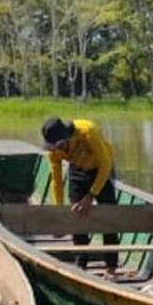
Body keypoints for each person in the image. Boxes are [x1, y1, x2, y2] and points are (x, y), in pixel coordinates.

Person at [40, 116, 120, 273]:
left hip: (101, 167)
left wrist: (90, 196)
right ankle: (81, 264)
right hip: (77, 170)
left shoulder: (87, 132)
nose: (56, 149)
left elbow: (105, 163)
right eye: (52, 146)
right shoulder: (53, 152)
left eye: (58, 145)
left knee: (108, 216)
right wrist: (60, 215)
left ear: (66, 138)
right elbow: (56, 181)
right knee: (76, 213)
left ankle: (111, 266)